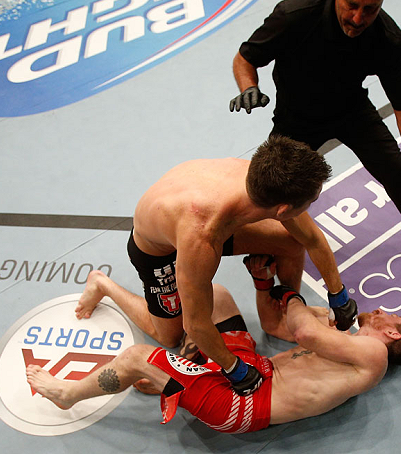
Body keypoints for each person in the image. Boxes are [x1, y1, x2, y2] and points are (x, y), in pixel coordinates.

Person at [74, 136, 357, 396]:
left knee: (289, 241)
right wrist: (235, 368)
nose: (312, 206)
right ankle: (103, 284)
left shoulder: (263, 177)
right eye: (311, 202)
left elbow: (311, 239)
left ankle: (280, 312)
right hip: (158, 248)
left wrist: (338, 294)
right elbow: (196, 324)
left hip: (208, 213)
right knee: (170, 335)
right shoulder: (201, 237)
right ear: (283, 210)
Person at [229, 0, 401, 273]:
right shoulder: (295, 14)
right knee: (272, 185)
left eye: (370, 9)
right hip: (296, 117)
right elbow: (245, 59)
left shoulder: (387, 39)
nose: (358, 18)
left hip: (352, 112)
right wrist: (249, 87)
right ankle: (267, 245)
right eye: (351, 5)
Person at [27, 272, 401, 434]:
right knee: (214, 294)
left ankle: (67, 395)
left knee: (134, 358)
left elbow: (299, 327)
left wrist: (294, 296)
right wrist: (264, 280)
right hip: (251, 370)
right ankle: (183, 367)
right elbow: (278, 326)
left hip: (242, 403)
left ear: (390, 333)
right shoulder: (348, 344)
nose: (381, 310)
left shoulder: (374, 356)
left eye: (390, 315)